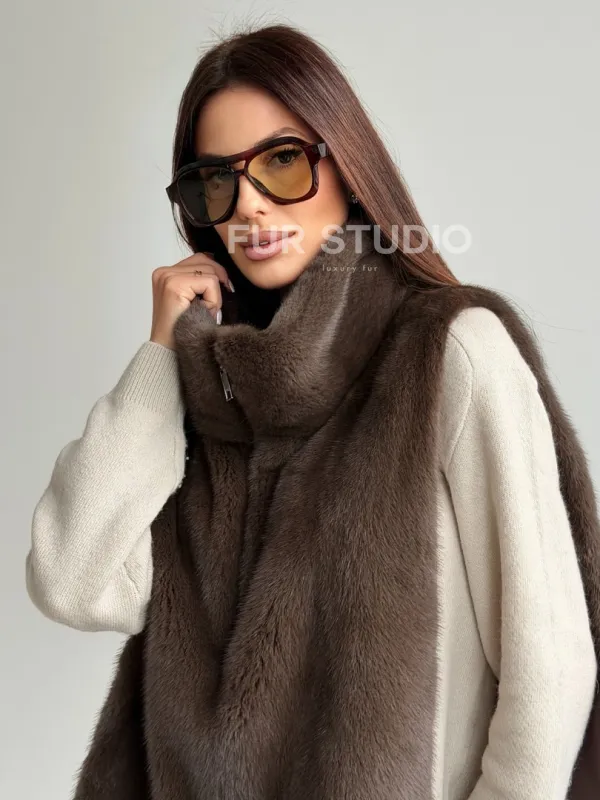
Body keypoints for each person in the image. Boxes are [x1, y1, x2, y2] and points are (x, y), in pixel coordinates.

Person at [26, 23, 599, 800]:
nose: (249, 205)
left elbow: (550, 667)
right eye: (215, 180)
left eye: (282, 160)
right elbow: (73, 580)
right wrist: (161, 354)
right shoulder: (208, 394)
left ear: (347, 165)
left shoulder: (448, 353)